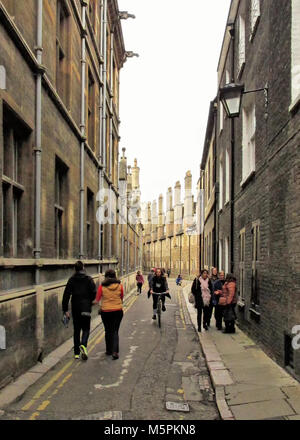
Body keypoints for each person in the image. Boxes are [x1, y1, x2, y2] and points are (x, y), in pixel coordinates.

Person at [62, 261, 96, 360]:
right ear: (83, 268)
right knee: (86, 329)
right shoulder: (89, 279)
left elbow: (66, 295)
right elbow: (94, 292)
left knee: (76, 330)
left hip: (76, 307)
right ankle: (83, 345)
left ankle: (76, 353)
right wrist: (90, 301)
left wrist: (65, 310)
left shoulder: (71, 280)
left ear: (75, 269)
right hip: (86, 307)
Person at [94, 269, 124, 359]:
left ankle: (109, 350)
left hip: (106, 312)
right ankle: (115, 352)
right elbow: (122, 297)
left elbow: (97, 299)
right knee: (115, 331)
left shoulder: (102, 287)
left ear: (106, 276)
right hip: (118, 311)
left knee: (108, 330)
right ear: (115, 276)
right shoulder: (120, 286)